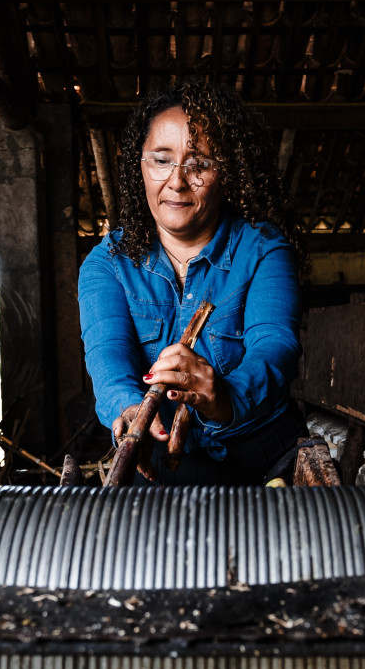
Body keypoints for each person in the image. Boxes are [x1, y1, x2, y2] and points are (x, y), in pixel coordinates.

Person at [78, 80, 305, 485]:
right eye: (161, 160)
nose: (177, 181)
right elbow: (106, 356)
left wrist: (224, 397)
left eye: (199, 163)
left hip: (261, 458)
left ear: (228, 171)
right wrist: (130, 410)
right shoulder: (107, 264)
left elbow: (275, 344)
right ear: (140, 166)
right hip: (155, 467)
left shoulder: (265, 249)